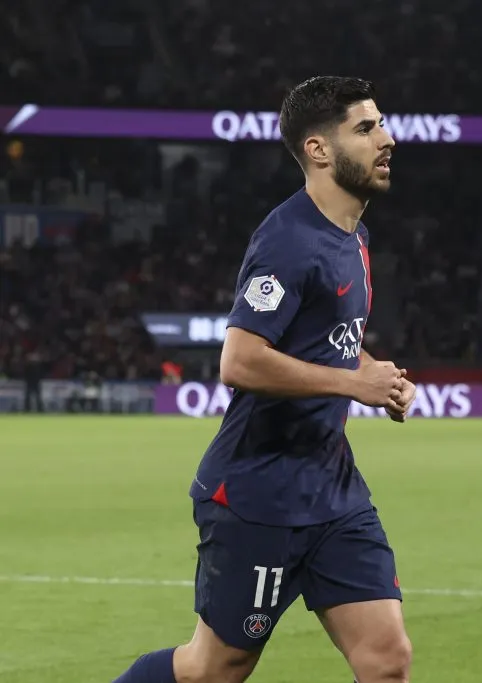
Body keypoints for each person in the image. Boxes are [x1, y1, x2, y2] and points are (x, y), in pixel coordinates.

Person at [112, 76, 417, 683]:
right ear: (318, 150)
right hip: (258, 495)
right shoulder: (286, 242)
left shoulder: (354, 235)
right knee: (211, 670)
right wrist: (350, 384)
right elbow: (241, 361)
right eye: (366, 128)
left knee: (387, 661)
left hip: (334, 491)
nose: (386, 139)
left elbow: (329, 340)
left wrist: (375, 375)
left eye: (381, 123)